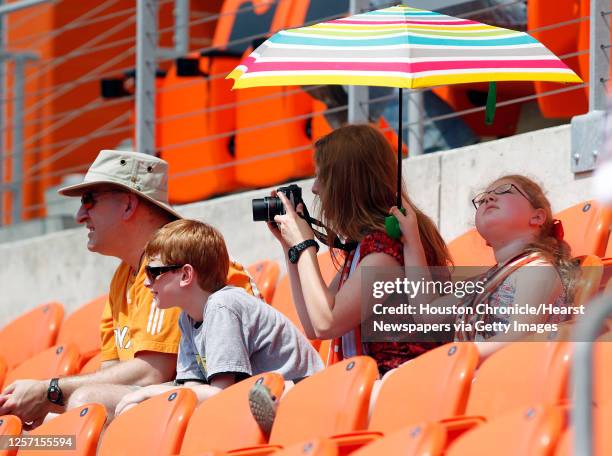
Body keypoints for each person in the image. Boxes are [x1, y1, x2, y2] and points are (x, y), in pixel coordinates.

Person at [0, 150, 258, 426]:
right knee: (40, 424)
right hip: (186, 398)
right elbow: (113, 370)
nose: (79, 215)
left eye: (89, 200)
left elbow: (152, 372)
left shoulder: (173, 263)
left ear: (127, 205)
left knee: (85, 403)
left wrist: (49, 391)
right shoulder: (125, 273)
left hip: (230, 403)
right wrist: (46, 402)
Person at [268, 124, 452, 372]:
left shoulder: (387, 250)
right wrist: (290, 248)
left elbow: (327, 323)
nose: (314, 188)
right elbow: (314, 323)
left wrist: (304, 245)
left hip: (397, 387)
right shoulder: (366, 246)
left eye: (321, 177)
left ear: (345, 185)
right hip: (370, 383)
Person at [113, 219, 323, 416]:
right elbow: (192, 388)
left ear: (186, 275)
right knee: (138, 408)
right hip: (255, 398)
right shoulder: (186, 318)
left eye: (153, 272)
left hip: (302, 396)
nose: (146, 283)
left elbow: (221, 393)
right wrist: (142, 398)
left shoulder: (221, 306)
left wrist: (149, 392)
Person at [391, 174, 577, 356]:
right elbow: (427, 315)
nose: (489, 197)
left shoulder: (538, 269)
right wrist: (411, 239)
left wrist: (453, 359)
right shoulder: (486, 281)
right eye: (482, 200)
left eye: (505, 191)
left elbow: (520, 336)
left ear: (537, 217)